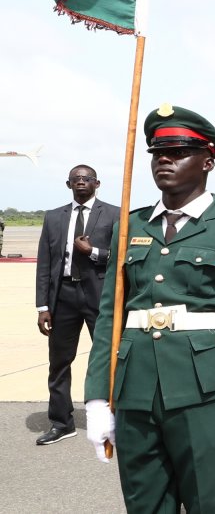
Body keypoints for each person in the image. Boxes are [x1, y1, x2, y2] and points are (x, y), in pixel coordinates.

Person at [82, 104, 215, 513]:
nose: (164, 160)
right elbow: (109, 317)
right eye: (157, 153)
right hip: (134, 389)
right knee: (144, 504)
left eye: (178, 152)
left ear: (207, 162)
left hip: (203, 392)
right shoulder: (129, 228)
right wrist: (97, 398)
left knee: (209, 502)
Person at [34, 165, 118, 445]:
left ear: (97, 183)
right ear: (68, 184)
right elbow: (45, 263)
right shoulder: (54, 217)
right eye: (75, 179)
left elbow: (123, 256)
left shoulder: (115, 214)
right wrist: (42, 306)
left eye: (86, 179)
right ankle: (61, 422)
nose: (81, 182)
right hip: (64, 297)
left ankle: (115, 420)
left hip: (100, 296)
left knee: (110, 360)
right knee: (59, 362)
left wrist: (92, 251)